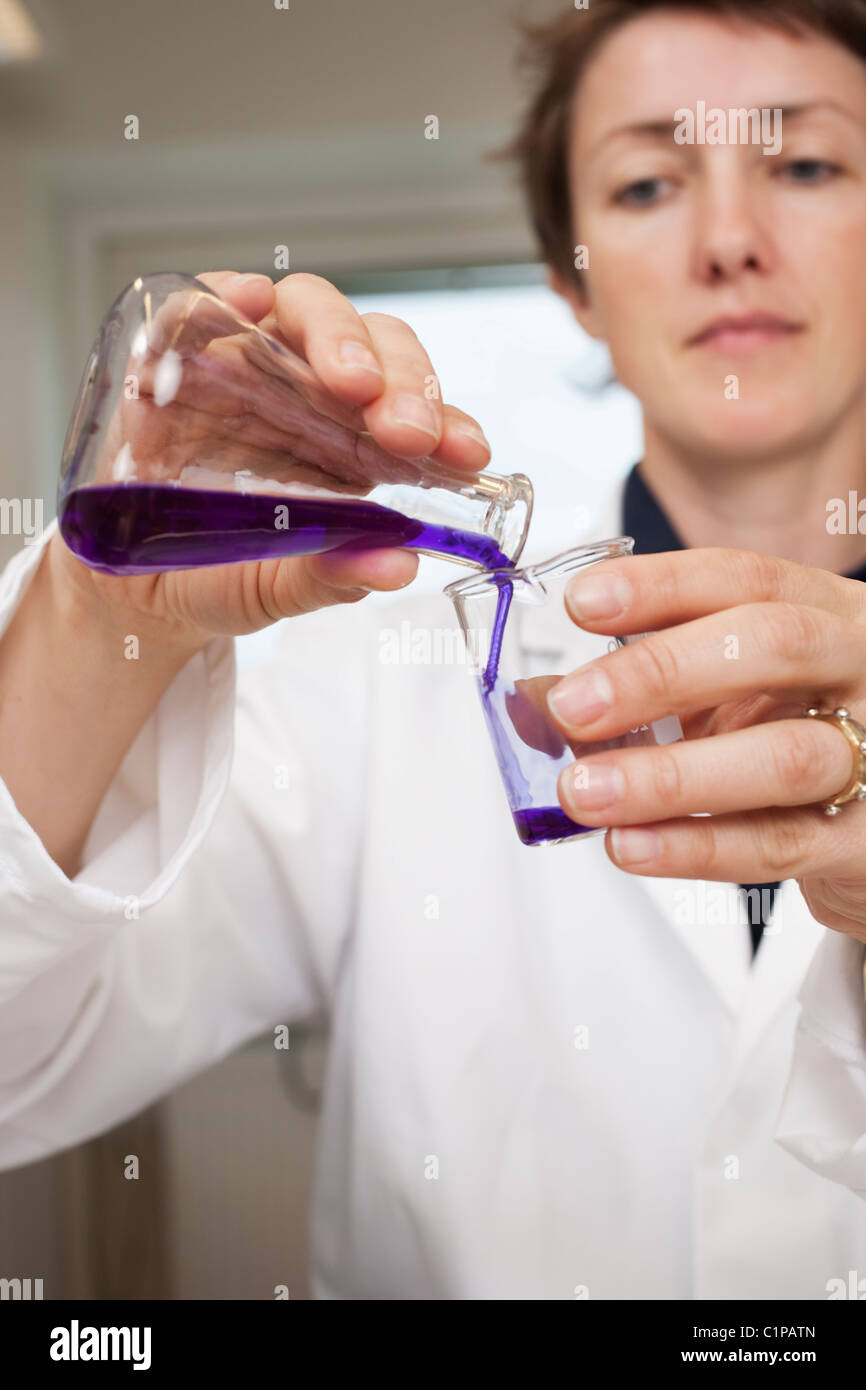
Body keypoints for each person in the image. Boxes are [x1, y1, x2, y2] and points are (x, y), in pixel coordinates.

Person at [1, 0, 865, 1300]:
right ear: (571, 279)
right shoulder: (370, 677)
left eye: (803, 164)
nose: (730, 241)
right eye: (645, 182)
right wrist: (96, 615)